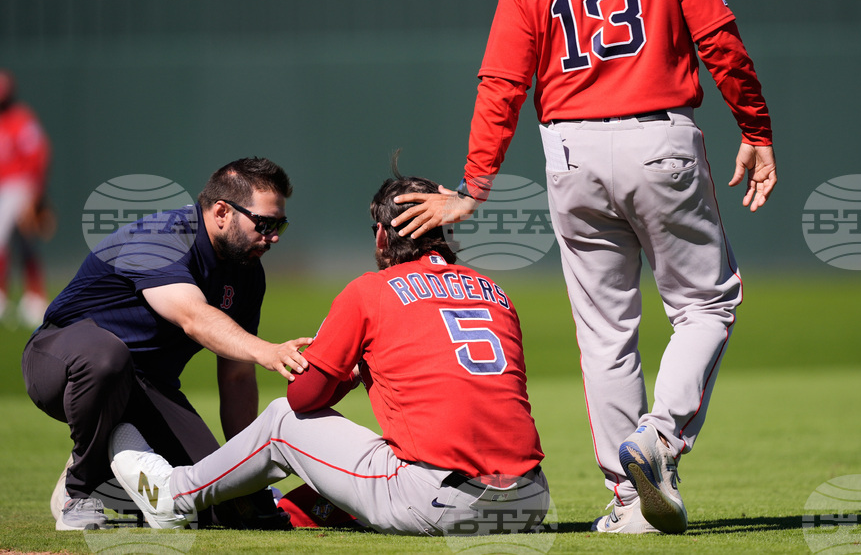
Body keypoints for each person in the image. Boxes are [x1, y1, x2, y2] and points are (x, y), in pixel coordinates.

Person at [392, 0, 776, 535]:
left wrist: (474, 185)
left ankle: (631, 504)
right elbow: (718, 38)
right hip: (658, 137)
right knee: (706, 303)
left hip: (570, 151)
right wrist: (755, 126)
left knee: (604, 331)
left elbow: (502, 84)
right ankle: (660, 437)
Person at [107, 166, 548, 536]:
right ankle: (292, 508)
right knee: (386, 455)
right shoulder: (494, 290)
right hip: (531, 500)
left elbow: (303, 399)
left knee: (282, 420)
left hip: (441, 501)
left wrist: (345, 370)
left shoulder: (371, 290)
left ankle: (173, 495)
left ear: (381, 236)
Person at [21, 157, 311, 531]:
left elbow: (237, 378)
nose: (272, 237)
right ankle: (79, 489)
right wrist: (267, 350)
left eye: (280, 226)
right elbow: (191, 315)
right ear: (222, 211)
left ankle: (118, 476)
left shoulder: (248, 271)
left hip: (147, 389)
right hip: (62, 360)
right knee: (108, 357)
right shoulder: (163, 236)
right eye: (265, 223)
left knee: (217, 504)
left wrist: (246, 476)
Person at [0, 70, 52, 326]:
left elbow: (38, 153)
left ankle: (35, 296)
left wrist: (36, 192)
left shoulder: (21, 119)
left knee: (25, 241)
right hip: (4, 188)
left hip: (20, 186)